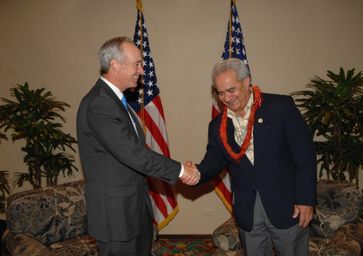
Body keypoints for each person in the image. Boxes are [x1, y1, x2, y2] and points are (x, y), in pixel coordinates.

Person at [76, 36, 199, 256]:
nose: (142, 70)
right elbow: (133, 155)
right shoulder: (99, 104)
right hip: (116, 216)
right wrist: (181, 170)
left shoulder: (116, 101)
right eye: (137, 64)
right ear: (115, 65)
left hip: (133, 208)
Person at [190, 58, 317, 256]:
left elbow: (305, 156)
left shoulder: (280, 107)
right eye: (221, 93)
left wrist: (306, 200)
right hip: (248, 211)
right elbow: (214, 161)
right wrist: (195, 172)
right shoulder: (217, 126)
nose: (227, 98)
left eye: (231, 90)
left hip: (288, 206)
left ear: (247, 82)